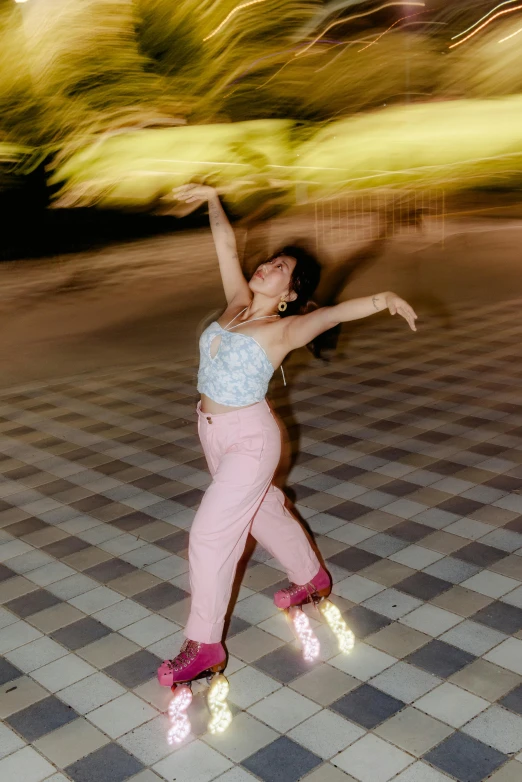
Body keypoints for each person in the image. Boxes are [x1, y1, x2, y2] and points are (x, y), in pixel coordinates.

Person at [158, 184, 417, 688]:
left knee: (210, 535)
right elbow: (226, 246)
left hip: (251, 440)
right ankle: (311, 579)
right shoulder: (236, 303)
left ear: (290, 292)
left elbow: (333, 314)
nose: (268, 268)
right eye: (271, 261)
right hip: (212, 432)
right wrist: (212, 197)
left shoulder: (287, 329)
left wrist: (384, 298)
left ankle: (205, 644)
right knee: (262, 511)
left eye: (281, 269)